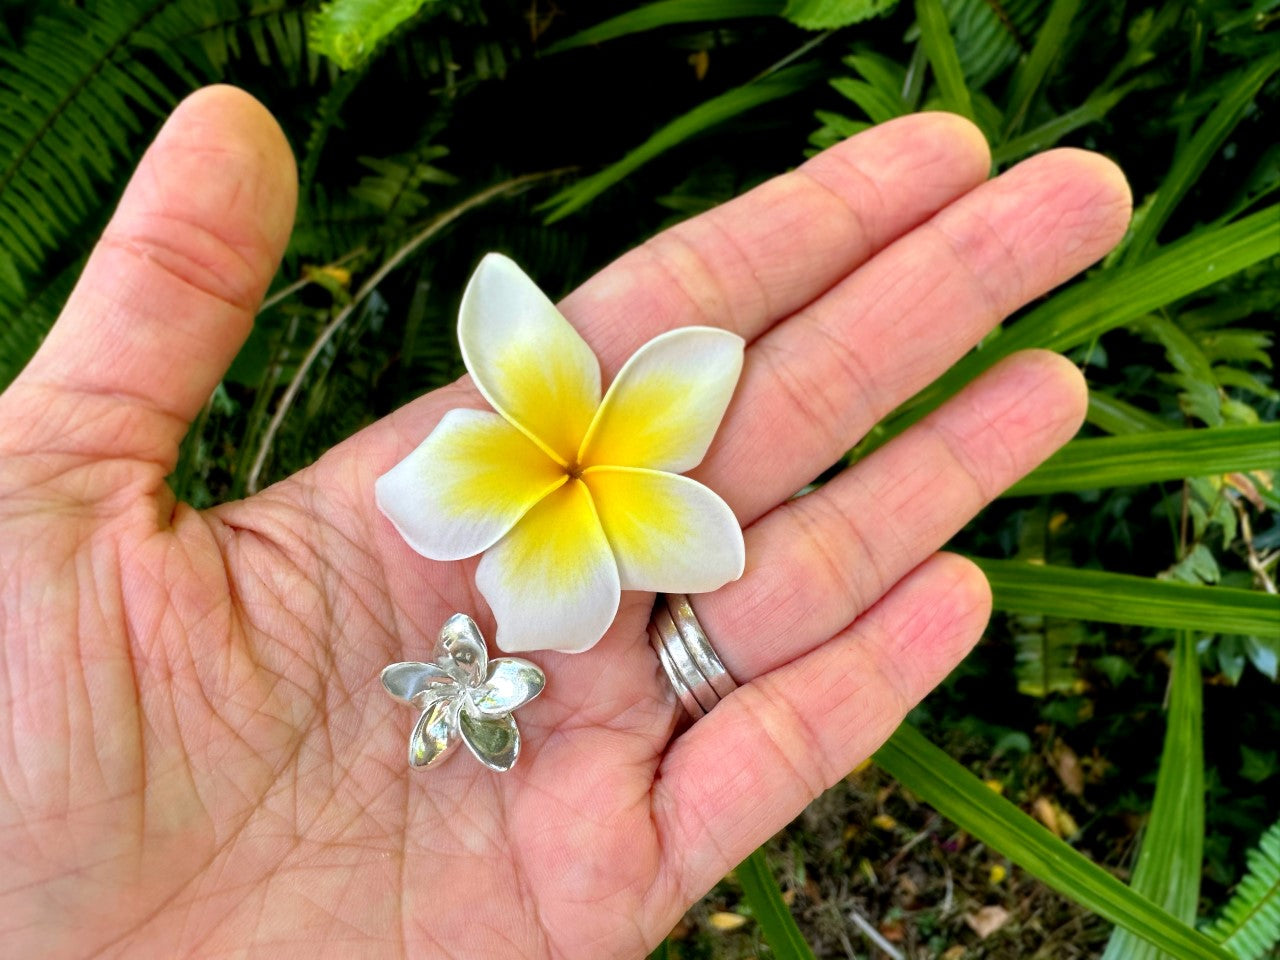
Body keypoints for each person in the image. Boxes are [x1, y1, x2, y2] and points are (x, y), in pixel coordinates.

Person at [0, 85, 1130, 958]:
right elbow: (459, 505)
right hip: (547, 481)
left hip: (597, 474)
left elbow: (699, 529)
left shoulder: (667, 438)